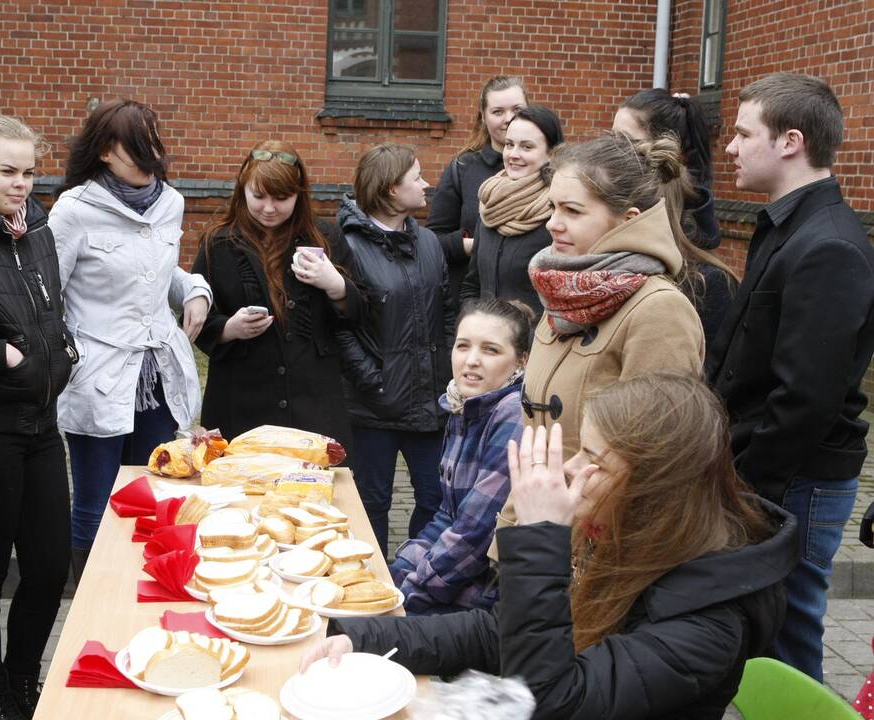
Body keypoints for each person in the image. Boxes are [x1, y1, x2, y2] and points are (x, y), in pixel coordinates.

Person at [302, 373, 798, 720]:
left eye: (597, 462)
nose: (571, 468)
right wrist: (362, 637)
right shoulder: (630, 537)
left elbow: (553, 702)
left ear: (656, 491)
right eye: (581, 448)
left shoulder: (709, 621)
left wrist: (540, 540)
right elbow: (504, 631)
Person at [706, 72, 874, 681]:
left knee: (788, 635)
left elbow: (806, 396)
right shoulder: (785, 223)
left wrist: (749, 487)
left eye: (744, 133)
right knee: (767, 629)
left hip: (795, 480)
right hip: (772, 472)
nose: (730, 147)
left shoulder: (828, 245)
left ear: (790, 141)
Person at [48, 100, 212, 579]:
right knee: (97, 500)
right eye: (135, 149)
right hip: (97, 375)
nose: (149, 158)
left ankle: (142, 588)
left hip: (157, 376)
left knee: (153, 488)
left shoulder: (171, 202)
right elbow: (47, 294)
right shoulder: (74, 210)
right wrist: (67, 357)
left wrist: (195, 289)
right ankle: (90, 598)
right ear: (103, 152)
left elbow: (157, 272)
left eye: (153, 145)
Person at [0, 116, 75, 720]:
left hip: (43, 424)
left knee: (51, 565)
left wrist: (64, 348)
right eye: (8, 171)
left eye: (30, 171)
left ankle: (24, 679)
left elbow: (51, 307)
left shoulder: (40, 228)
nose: (23, 183)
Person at [521, 132, 704, 458]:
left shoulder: (660, 311)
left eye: (572, 211)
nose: (552, 223)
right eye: (553, 207)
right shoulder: (560, 290)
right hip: (538, 504)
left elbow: (656, 455)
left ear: (627, 221)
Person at [192, 141, 364, 445]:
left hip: (313, 406)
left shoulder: (326, 236)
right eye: (258, 196)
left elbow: (362, 313)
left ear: (299, 194)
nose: (269, 208)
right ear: (242, 189)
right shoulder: (216, 243)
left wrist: (336, 286)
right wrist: (229, 329)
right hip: (239, 406)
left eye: (282, 198)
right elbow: (195, 319)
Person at [336, 142, 456, 556]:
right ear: (390, 190)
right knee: (371, 504)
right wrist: (374, 381)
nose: (427, 184)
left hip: (429, 401)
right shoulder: (347, 246)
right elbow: (339, 328)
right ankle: (371, 583)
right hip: (373, 406)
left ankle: (414, 575)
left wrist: (447, 374)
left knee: (436, 498)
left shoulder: (428, 244)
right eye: (417, 177)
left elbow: (446, 312)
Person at [389, 297, 532, 614]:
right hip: (456, 578)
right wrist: (401, 569)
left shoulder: (513, 415)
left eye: (490, 350)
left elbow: (474, 534)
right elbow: (447, 514)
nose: (471, 360)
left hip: (488, 598)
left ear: (522, 361)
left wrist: (407, 593)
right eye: (463, 346)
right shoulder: (463, 404)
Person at [612, 89, 737, 344]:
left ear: (668, 154)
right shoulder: (603, 235)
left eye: (625, 143)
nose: (611, 154)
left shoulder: (706, 280)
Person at [427, 75, 527, 303]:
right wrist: (474, 245)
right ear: (483, 117)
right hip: (474, 302)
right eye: (498, 111)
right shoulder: (462, 169)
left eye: (517, 110)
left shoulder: (550, 170)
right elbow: (432, 241)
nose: (509, 119)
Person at [461, 105, 563, 317]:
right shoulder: (491, 204)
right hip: (488, 341)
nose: (513, 154)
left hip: (534, 345)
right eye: (509, 144)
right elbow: (472, 285)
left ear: (552, 153)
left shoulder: (559, 213)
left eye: (526, 147)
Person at [613, 88, 720, 249]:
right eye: (611, 137)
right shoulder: (610, 199)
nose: (612, 149)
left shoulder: (686, 232)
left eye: (625, 141)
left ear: (665, 148)